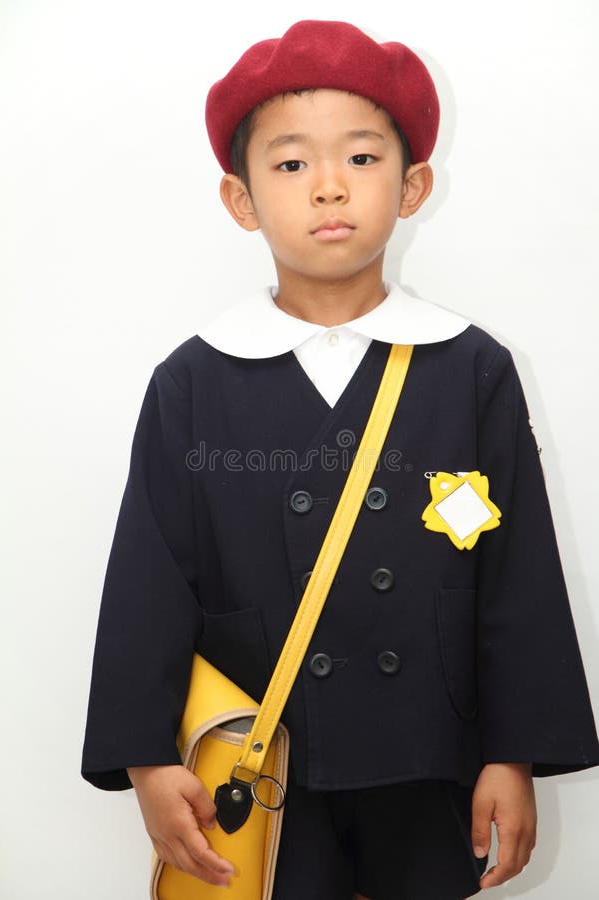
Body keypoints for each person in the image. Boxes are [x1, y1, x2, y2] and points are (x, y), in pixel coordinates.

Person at [80, 19, 599, 900]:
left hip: (430, 751)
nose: (328, 187)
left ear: (413, 185)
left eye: (361, 158)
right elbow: (147, 578)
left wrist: (512, 755)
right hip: (265, 766)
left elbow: (517, 576)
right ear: (240, 200)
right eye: (290, 164)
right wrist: (142, 758)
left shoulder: (471, 368)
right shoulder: (194, 380)